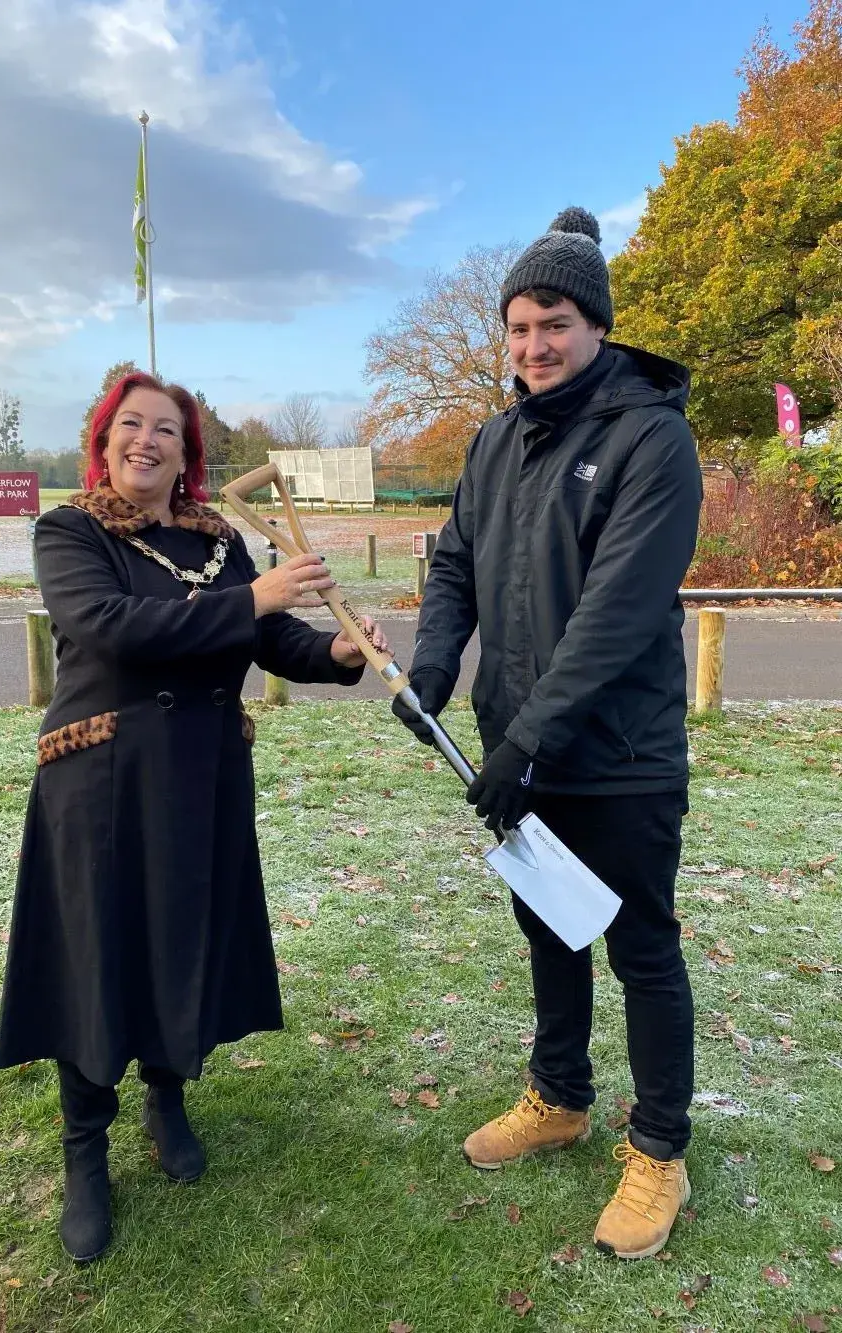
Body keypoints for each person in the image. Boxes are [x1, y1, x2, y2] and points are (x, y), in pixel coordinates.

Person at [0, 371, 388, 1263]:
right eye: (129, 424)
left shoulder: (216, 541)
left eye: (165, 429)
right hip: (100, 784)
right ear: (104, 439)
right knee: (99, 955)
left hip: (200, 780)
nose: (146, 440)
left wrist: (333, 647)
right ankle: (84, 1150)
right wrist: (257, 598)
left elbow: (266, 641)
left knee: (181, 941)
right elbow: (113, 627)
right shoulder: (70, 533)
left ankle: (167, 1098)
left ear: (186, 450)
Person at [393, 208, 703, 1260]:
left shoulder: (650, 436)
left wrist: (526, 736)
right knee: (549, 929)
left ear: (597, 325)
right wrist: (436, 668)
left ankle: (659, 1148)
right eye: (519, 325)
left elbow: (619, 610)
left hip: (615, 753)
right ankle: (559, 1095)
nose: (534, 345)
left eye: (554, 322)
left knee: (638, 946)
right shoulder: (493, 439)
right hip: (517, 746)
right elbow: (453, 563)